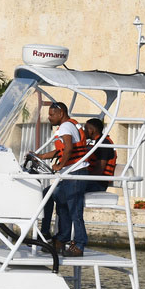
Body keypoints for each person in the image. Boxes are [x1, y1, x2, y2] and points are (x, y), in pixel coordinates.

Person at [37, 102, 89, 256]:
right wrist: (40, 156)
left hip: (75, 174)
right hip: (70, 174)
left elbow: (68, 148)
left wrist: (61, 165)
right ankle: (61, 238)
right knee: (59, 203)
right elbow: (59, 150)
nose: (49, 117)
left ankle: (79, 244)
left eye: (52, 114)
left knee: (74, 211)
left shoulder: (66, 127)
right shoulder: (68, 126)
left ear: (60, 113)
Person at [82, 118, 117, 194]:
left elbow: (99, 170)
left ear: (91, 130)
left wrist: (81, 177)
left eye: (85, 129)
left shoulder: (103, 143)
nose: (83, 132)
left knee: (64, 190)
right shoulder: (99, 142)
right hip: (94, 182)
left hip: (98, 184)